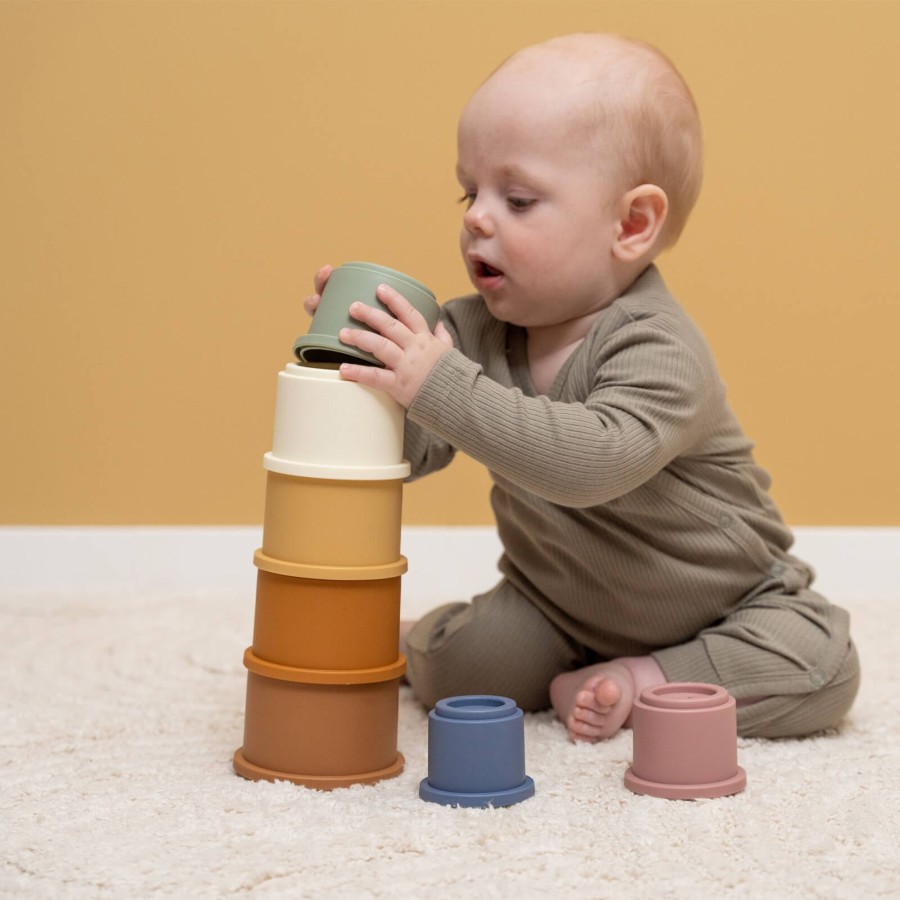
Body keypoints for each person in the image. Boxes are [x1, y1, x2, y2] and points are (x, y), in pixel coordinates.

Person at [303, 32, 859, 742]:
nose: (476, 217)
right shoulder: (465, 335)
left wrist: (434, 381)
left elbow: (588, 464)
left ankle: (647, 678)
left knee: (824, 666)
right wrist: (365, 370)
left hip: (728, 603)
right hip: (557, 605)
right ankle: (428, 636)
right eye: (471, 192)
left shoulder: (657, 346)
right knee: (461, 672)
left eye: (521, 198)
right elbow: (406, 452)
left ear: (630, 224)